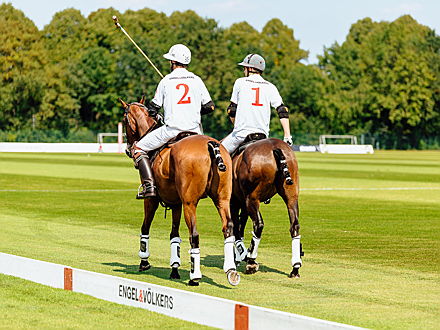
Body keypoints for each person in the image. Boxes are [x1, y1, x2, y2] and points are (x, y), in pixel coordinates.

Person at [132, 44, 215, 199]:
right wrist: (195, 110)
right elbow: (210, 107)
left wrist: (154, 111)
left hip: (172, 131)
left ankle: (149, 187)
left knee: (138, 148)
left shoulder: (166, 81)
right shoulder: (197, 80)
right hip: (196, 133)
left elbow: (153, 108)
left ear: (172, 62)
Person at [221, 54, 292, 154]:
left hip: (241, 135)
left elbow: (232, 110)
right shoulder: (270, 86)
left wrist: (236, 126)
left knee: (217, 154)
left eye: (244, 67)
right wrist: (287, 136)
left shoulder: (240, 82)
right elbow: (282, 110)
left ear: (250, 68)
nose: (243, 70)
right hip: (263, 136)